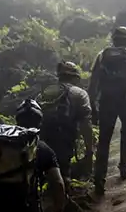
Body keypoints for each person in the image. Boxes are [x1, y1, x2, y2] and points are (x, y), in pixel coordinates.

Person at [87, 27, 126, 195]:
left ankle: (99, 179)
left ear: (113, 39)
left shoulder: (102, 55)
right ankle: (124, 167)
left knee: (104, 139)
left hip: (106, 100)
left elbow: (93, 82)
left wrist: (92, 105)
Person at [39, 61, 94, 192]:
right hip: (64, 139)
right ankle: (62, 205)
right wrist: (89, 149)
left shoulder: (47, 91)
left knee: (42, 174)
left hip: (42, 139)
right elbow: (86, 123)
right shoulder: (79, 93)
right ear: (75, 77)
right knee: (63, 174)